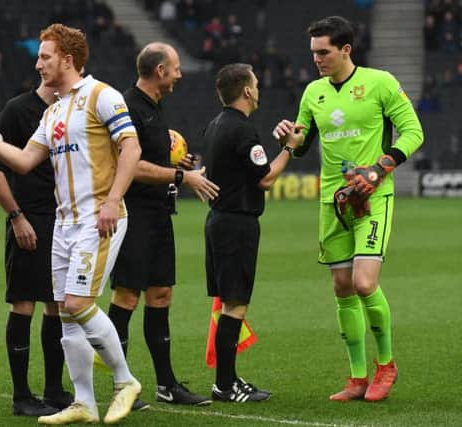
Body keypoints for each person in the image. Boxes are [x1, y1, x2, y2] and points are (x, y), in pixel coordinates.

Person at [0, 23, 142, 425]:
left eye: (45, 56)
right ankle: (84, 402)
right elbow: (24, 161)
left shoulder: (103, 95)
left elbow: (130, 147)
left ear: (68, 59)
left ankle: (124, 380)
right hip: (64, 225)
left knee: (80, 305)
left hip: (96, 219)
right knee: (66, 312)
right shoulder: (54, 111)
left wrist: (114, 199)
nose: (38, 63)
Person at [272, 16, 423, 402]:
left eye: (324, 52)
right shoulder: (312, 93)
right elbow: (302, 142)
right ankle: (357, 378)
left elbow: (413, 132)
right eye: (313, 53)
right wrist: (291, 139)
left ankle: (385, 366)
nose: (317, 59)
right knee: (341, 287)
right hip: (332, 201)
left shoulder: (380, 83)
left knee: (364, 283)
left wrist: (379, 169)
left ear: (345, 50)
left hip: (371, 199)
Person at [108, 42, 218, 409]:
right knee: (126, 296)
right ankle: (119, 384)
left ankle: (167, 384)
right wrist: (180, 176)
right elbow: (131, 166)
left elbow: (149, 158)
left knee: (161, 296)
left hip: (157, 214)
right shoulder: (127, 108)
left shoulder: (155, 107)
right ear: (159, 72)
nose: (180, 74)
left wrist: (177, 164)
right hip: (132, 215)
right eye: (175, 68)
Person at [203, 63, 301, 403]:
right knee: (235, 305)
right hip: (237, 224)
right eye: (256, 84)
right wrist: (288, 147)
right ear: (246, 90)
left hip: (218, 221)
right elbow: (265, 179)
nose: (258, 88)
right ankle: (224, 386)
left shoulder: (216, 125)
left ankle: (227, 380)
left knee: (230, 302)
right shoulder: (243, 130)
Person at [0, 77, 73, 416]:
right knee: (24, 304)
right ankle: (21, 396)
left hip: (65, 221)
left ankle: (53, 390)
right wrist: (16, 216)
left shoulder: (73, 112)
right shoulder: (18, 110)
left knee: (57, 305)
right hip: (30, 219)